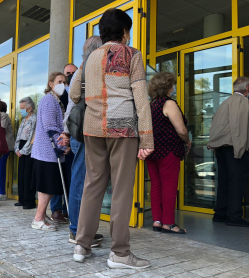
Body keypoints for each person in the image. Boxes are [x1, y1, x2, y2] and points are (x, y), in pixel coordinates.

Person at [70, 9, 154, 268]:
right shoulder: (133, 54)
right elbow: (141, 97)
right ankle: (119, 253)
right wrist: (147, 138)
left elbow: (74, 94)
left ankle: (82, 246)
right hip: (123, 126)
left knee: (92, 185)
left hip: (93, 127)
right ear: (125, 31)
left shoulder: (89, 58)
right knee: (121, 189)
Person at [61, 36, 104, 247]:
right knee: (82, 181)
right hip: (88, 131)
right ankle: (77, 231)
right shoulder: (88, 69)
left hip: (80, 131)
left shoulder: (81, 70)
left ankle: (81, 229)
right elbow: (74, 102)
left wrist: (66, 132)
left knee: (83, 180)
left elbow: (71, 105)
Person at [146, 72, 190, 234]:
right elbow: (181, 130)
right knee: (169, 187)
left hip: (152, 151)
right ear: (169, 87)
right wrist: (187, 141)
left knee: (156, 186)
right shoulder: (169, 104)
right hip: (168, 150)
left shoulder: (151, 105)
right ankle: (169, 223)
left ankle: (157, 221)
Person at [31, 72, 70, 231]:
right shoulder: (49, 101)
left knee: (47, 186)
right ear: (51, 84)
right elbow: (50, 127)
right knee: (47, 187)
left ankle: (41, 215)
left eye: (65, 82)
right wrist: (62, 146)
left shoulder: (55, 100)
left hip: (48, 152)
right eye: (59, 81)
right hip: (48, 152)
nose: (63, 84)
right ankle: (38, 218)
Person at [208, 76, 249, 227]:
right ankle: (234, 216)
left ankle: (220, 213)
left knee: (224, 180)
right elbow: (242, 128)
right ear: (247, 88)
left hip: (220, 148)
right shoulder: (244, 103)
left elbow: (214, 124)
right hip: (236, 146)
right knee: (237, 181)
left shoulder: (224, 103)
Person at [50, 63, 78, 224]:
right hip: (62, 142)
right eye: (67, 73)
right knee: (58, 178)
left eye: (73, 74)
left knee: (71, 178)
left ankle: (68, 210)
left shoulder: (73, 93)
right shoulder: (56, 97)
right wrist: (63, 143)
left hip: (74, 143)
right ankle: (56, 209)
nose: (70, 76)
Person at [14, 97, 37, 209]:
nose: (21, 110)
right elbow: (19, 135)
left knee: (28, 175)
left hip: (30, 149)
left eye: (23, 108)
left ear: (30, 108)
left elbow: (33, 136)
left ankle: (30, 201)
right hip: (21, 146)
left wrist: (23, 151)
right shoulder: (24, 120)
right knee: (21, 175)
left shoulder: (34, 119)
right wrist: (17, 149)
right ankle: (22, 199)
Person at [0, 101, 15, 200]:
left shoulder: (3, 116)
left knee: (0, 169)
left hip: (4, 146)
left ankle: (1, 192)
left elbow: (1, 129)